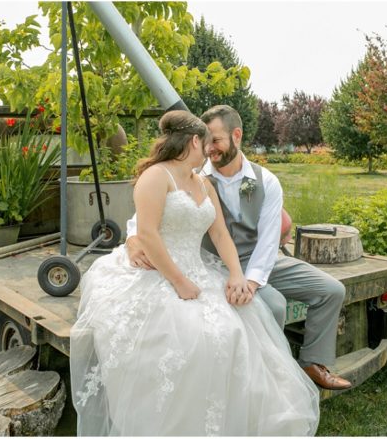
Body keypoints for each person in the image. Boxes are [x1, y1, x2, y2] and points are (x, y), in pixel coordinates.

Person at [70, 111, 319, 436]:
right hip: (158, 271)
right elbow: (147, 233)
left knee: (231, 330)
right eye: (207, 142)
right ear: (193, 141)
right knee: (191, 337)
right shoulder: (156, 177)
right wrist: (179, 281)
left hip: (200, 270)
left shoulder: (203, 182)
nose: (211, 151)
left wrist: (235, 274)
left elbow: (219, 235)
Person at [125, 104, 352, 390]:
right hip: (212, 263)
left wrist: (251, 281)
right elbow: (149, 220)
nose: (209, 148)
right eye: (205, 141)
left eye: (216, 140)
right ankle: (265, 379)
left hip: (259, 259)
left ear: (237, 135)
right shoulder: (192, 174)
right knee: (274, 305)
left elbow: (269, 241)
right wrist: (132, 240)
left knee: (331, 290)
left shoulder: (266, 181)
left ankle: (312, 363)